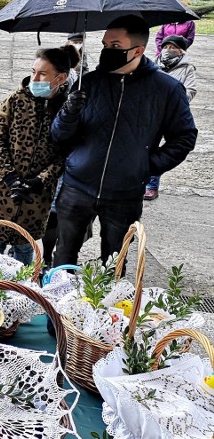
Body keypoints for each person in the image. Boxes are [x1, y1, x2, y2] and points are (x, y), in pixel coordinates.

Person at [51, 15, 197, 267]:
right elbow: (59, 137)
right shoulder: (89, 83)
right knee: (62, 259)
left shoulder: (167, 89)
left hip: (124, 194)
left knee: (114, 265)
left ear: (138, 50)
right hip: (77, 186)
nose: (107, 51)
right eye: (106, 45)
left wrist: (146, 165)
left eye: (116, 46)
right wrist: (68, 113)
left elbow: (184, 137)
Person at [0, 46, 78, 265]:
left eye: (42, 74)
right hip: (3, 190)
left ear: (60, 78)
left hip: (36, 197)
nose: (35, 78)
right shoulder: (15, 100)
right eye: (33, 71)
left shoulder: (65, 110)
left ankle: (19, 291)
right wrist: (9, 176)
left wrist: (38, 181)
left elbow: (64, 156)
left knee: (24, 251)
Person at [145, 34, 197, 201]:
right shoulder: (153, 63)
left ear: (181, 51)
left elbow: (191, 90)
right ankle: (143, 181)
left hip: (170, 114)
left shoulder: (187, 68)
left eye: (173, 48)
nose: (168, 50)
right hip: (151, 111)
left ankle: (152, 186)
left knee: (160, 150)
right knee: (147, 146)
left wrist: (175, 99)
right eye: (166, 47)